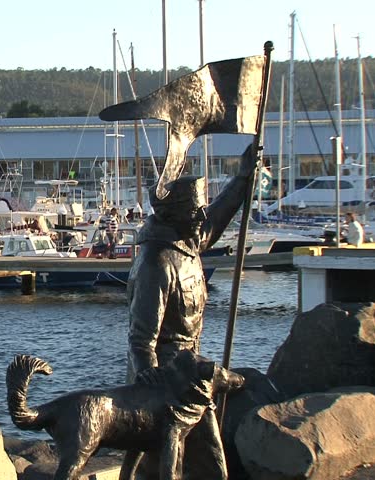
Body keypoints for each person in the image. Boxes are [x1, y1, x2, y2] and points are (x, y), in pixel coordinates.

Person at [126, 145, 258, 479]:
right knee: (173, 467)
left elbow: (217, 214)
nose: (201, 216)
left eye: (200, 208)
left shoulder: (188, 241)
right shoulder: (155, 263)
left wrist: (242, 177)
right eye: (194, 210)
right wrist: (152, 391)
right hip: (165, 384)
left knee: (209, 466)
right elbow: (141, 340)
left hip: (193, 374)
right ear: (173, 215)